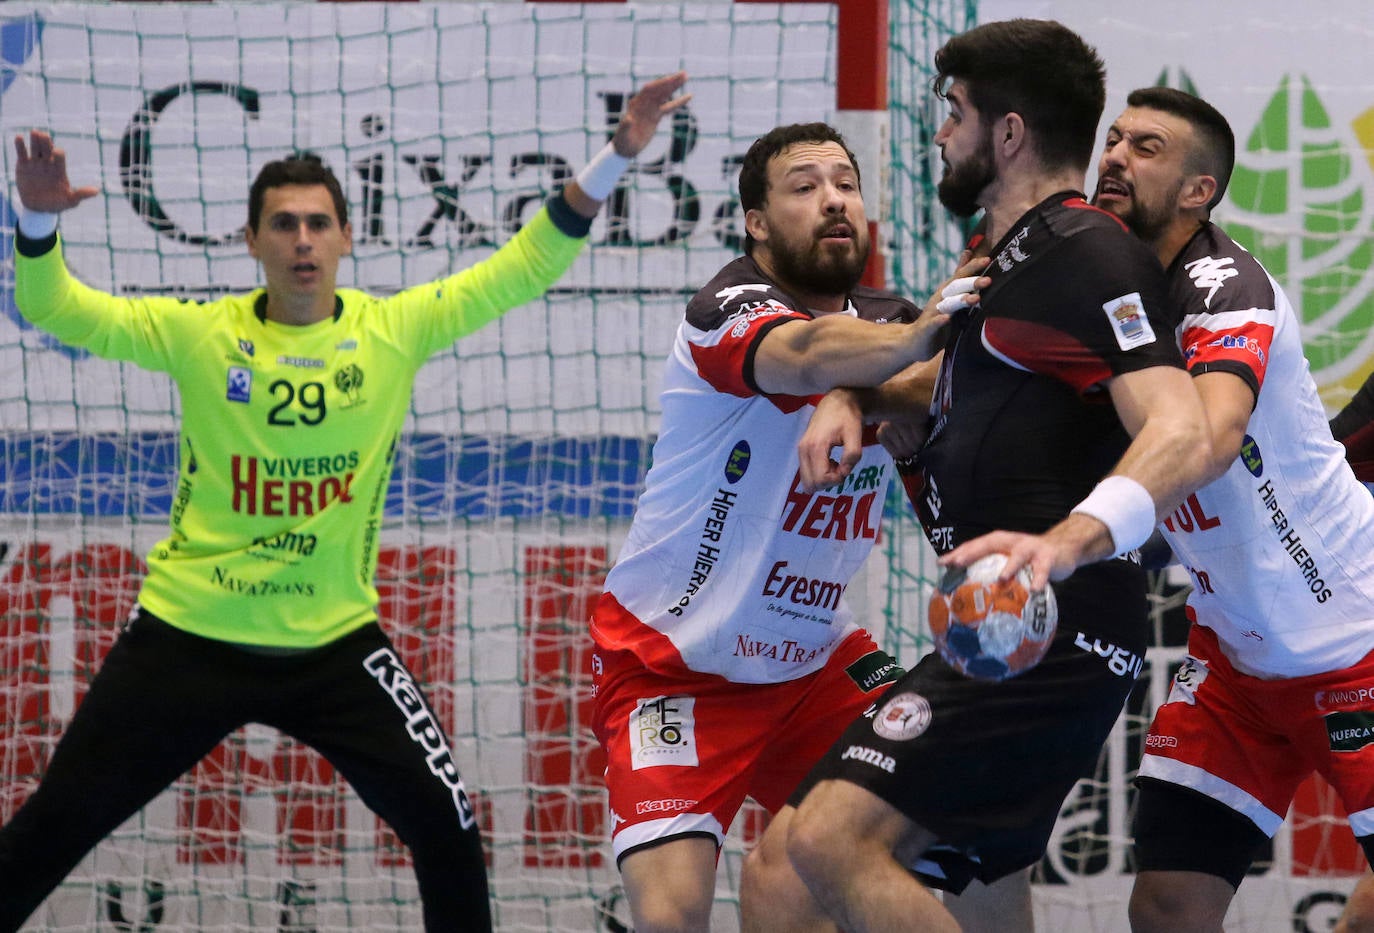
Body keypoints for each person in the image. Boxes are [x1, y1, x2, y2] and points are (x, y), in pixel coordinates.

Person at [0, 72, 690, 933]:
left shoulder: (391, 330)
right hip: (185, 637)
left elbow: (524, 266)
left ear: (346, 238)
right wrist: (36, 223)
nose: (302, 240)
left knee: (448, 829)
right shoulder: (198, 333)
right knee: (47, 831)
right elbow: (53, 306)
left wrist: (620, 154)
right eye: (283, 224)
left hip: (334, 646)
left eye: (318, 223)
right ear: (251, 238)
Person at [738, 20, 1218, 933]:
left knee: (826, 840)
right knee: (950, 885)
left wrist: (1063, 544)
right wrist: (855, 395)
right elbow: (941, 387)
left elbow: (1182, 429)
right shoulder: (1012, 261)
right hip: (1011, 624)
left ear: (1006, 133)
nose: (939, 135)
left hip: (1046, 624)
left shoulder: (1087, 250)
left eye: (950, 113)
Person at [587, 121, 972, 933]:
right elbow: (803, 353)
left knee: (947, 833)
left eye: (845, 183)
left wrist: (880, 382)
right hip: (673, 665)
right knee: (670, 917)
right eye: (804, 186)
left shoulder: (892, 319)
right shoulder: (726, 307)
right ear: (757, 222)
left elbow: (944, 386)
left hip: (814, 664)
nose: (833, 200)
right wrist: (905, 346)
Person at [1077, 86, 1374, 933]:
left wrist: (1077, 536)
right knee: (1168, 903)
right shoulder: (1111, 289)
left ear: (1199, 190)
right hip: (1236, 660)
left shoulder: (1224, 283)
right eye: (1114, 139)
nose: (1117, 158)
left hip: (1353, 638)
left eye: (1147, 148)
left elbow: (1207, 439)